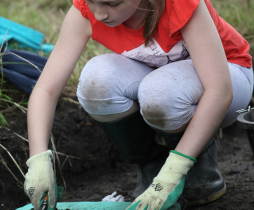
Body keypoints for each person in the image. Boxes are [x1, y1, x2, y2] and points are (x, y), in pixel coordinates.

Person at [23, 0, 253, 209]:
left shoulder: (179, 4)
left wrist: (173, 172)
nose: (100, 14)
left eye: (112, 3)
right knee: (96, 81)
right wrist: (38, 161)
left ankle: (195, 164)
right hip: (161, 76)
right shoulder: (85, 12)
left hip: (229, 76)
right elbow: (46, 89)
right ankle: (151, 163)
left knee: (161, 92)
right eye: (92, 1)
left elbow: (219, 92)